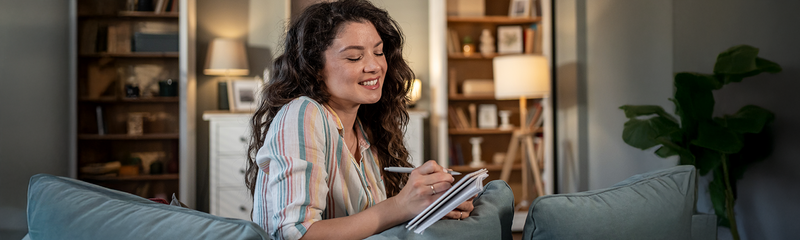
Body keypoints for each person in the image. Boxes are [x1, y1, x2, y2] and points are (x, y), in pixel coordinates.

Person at [244, 1, 475, 239]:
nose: (375, 66)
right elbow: (295, 234)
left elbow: (374, 226)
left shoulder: (365, 130)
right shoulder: (303, 113)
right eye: (354, 57)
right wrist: (400, 205)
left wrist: (433, 204)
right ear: (315, 67)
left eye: (378, 52)